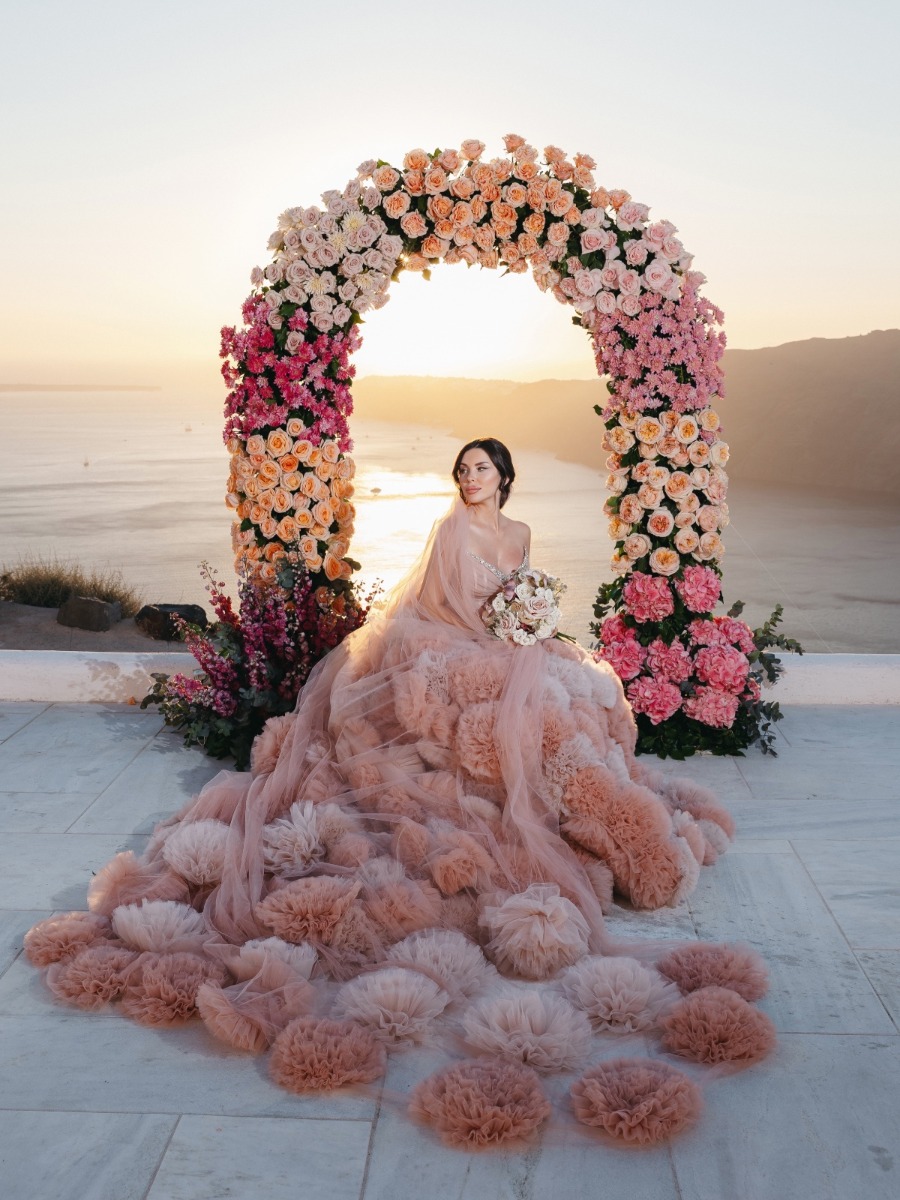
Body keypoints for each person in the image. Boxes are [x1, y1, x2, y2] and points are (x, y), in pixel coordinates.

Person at [25, 437, 740, 1103]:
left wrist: (526, 627)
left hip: (503, 642)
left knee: (569, 692)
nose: (469, 478)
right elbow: (435, 603)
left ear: (504, 477)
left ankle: (590, 816)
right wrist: (491, 638)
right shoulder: (450, 531)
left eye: (481, 469)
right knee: (495, 703)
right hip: (451, 642)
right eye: (463, 469)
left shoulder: (518, 535)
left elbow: (522, 597)